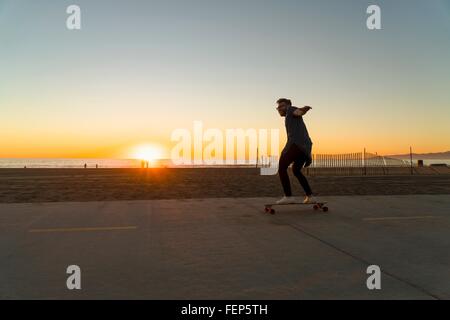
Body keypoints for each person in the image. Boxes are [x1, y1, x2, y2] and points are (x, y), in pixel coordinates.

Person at [275, 98, 315, 204]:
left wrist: (304, 109)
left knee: (282, 168)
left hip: (296, 145)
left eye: (281, 106)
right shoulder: (289, 116)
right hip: (305, 147)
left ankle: (288, 196)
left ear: (288, 105)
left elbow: (298, 112)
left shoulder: (290, 110)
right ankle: (310, 195)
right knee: (296, 170)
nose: (279, 109)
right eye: (278, 107)